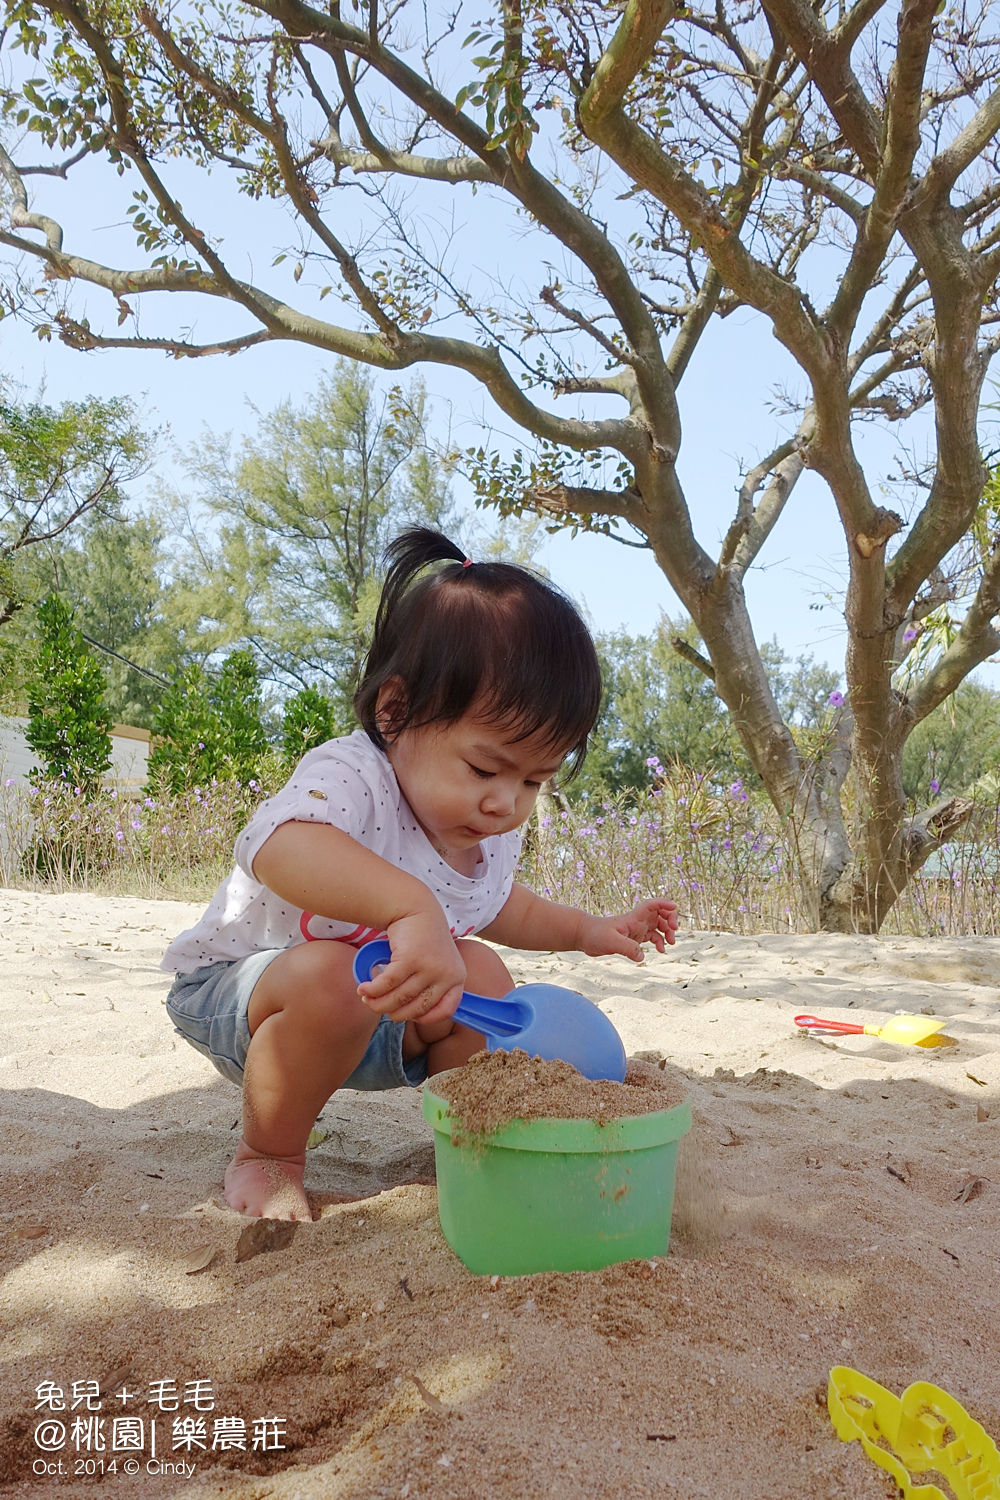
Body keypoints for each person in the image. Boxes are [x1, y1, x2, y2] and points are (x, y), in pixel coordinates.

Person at [162, 528, 678, 1220]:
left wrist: (587, 929)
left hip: (378, 1022)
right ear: (395, 711)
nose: (505, 802)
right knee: (331, 977)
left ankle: (473, 1148)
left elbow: (496, 905)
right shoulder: (352, 775)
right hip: (249, 1004)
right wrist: (410, 908)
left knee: (485, 974)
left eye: (534, 781)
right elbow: (275, 843)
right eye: (485, 768)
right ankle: (268, 1155)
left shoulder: (483, 829)